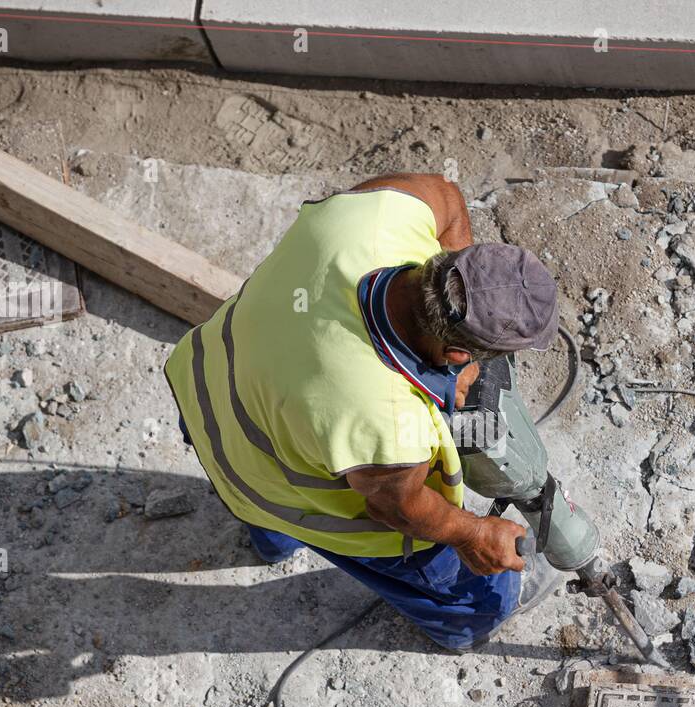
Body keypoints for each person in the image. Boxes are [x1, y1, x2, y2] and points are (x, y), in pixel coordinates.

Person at [165, 172, 561, 652]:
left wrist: (463, 327)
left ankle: (271, 542)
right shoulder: (390, 424)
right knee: (445, 567)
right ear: (459, 354)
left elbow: (449, 199)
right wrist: (474, 531)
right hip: (276, 471)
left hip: (209, 386)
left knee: (263, 494)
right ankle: (467, 621)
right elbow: (397, 508)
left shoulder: (377, 218)